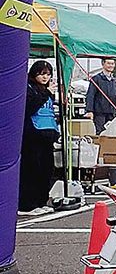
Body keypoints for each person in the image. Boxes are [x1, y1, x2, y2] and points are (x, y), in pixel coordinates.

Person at [19, 60, 59, 216]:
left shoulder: (48, 90)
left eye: (48, 74)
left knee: (46, 170)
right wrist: (46, 93)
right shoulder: (28, 88)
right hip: (32, 136)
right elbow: (29, 107)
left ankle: (41, 201)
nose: (45, 77)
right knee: (31, 170)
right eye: (42, 74)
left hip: (47, 136)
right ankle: (27, 204)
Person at [85, 57, 116, 135]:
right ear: (103, 64)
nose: (111, 65)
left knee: (111, 133)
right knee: (100, 133)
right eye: (108, 63)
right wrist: (89, 110)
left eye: (112, 64)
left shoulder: (114, 80)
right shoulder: (96, 79)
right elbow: (90, 95)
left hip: (112, 112)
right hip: (99, 113)